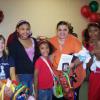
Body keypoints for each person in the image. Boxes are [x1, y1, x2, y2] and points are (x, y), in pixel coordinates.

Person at [50, 21, 86, 100]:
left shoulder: (74, 40)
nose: (62, 32)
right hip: (57, 77)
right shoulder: (51, 41)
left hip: (73, 77)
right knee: (58, 96)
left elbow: (84, 56)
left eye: (65, 29)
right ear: (57, 31)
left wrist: (73, 64)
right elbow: (47, 56)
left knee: (71, 96)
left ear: (68, 30)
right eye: (60, 30)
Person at [7, 20, 39, 95]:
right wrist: (15, 78)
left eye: (27, 29)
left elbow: (38, 56)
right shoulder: (13, 44)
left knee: (33, 96)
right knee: (24, 96)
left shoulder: (34, 40)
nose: (25, 31)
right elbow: (12, 63)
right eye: (22, 29)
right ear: (17, 30)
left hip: (35, 75)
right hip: (21, 76)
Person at [0, 34, 16, 99]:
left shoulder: (10, 58)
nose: (1, 45)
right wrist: (3, 86)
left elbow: (12, 74)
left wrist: (14, 84)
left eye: (2, 43)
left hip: (8, 84)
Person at [88, 32, 100, 100]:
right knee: (93, 96)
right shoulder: (91, 46)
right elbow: (89, 66)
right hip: (94, 75)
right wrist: (91, 55)